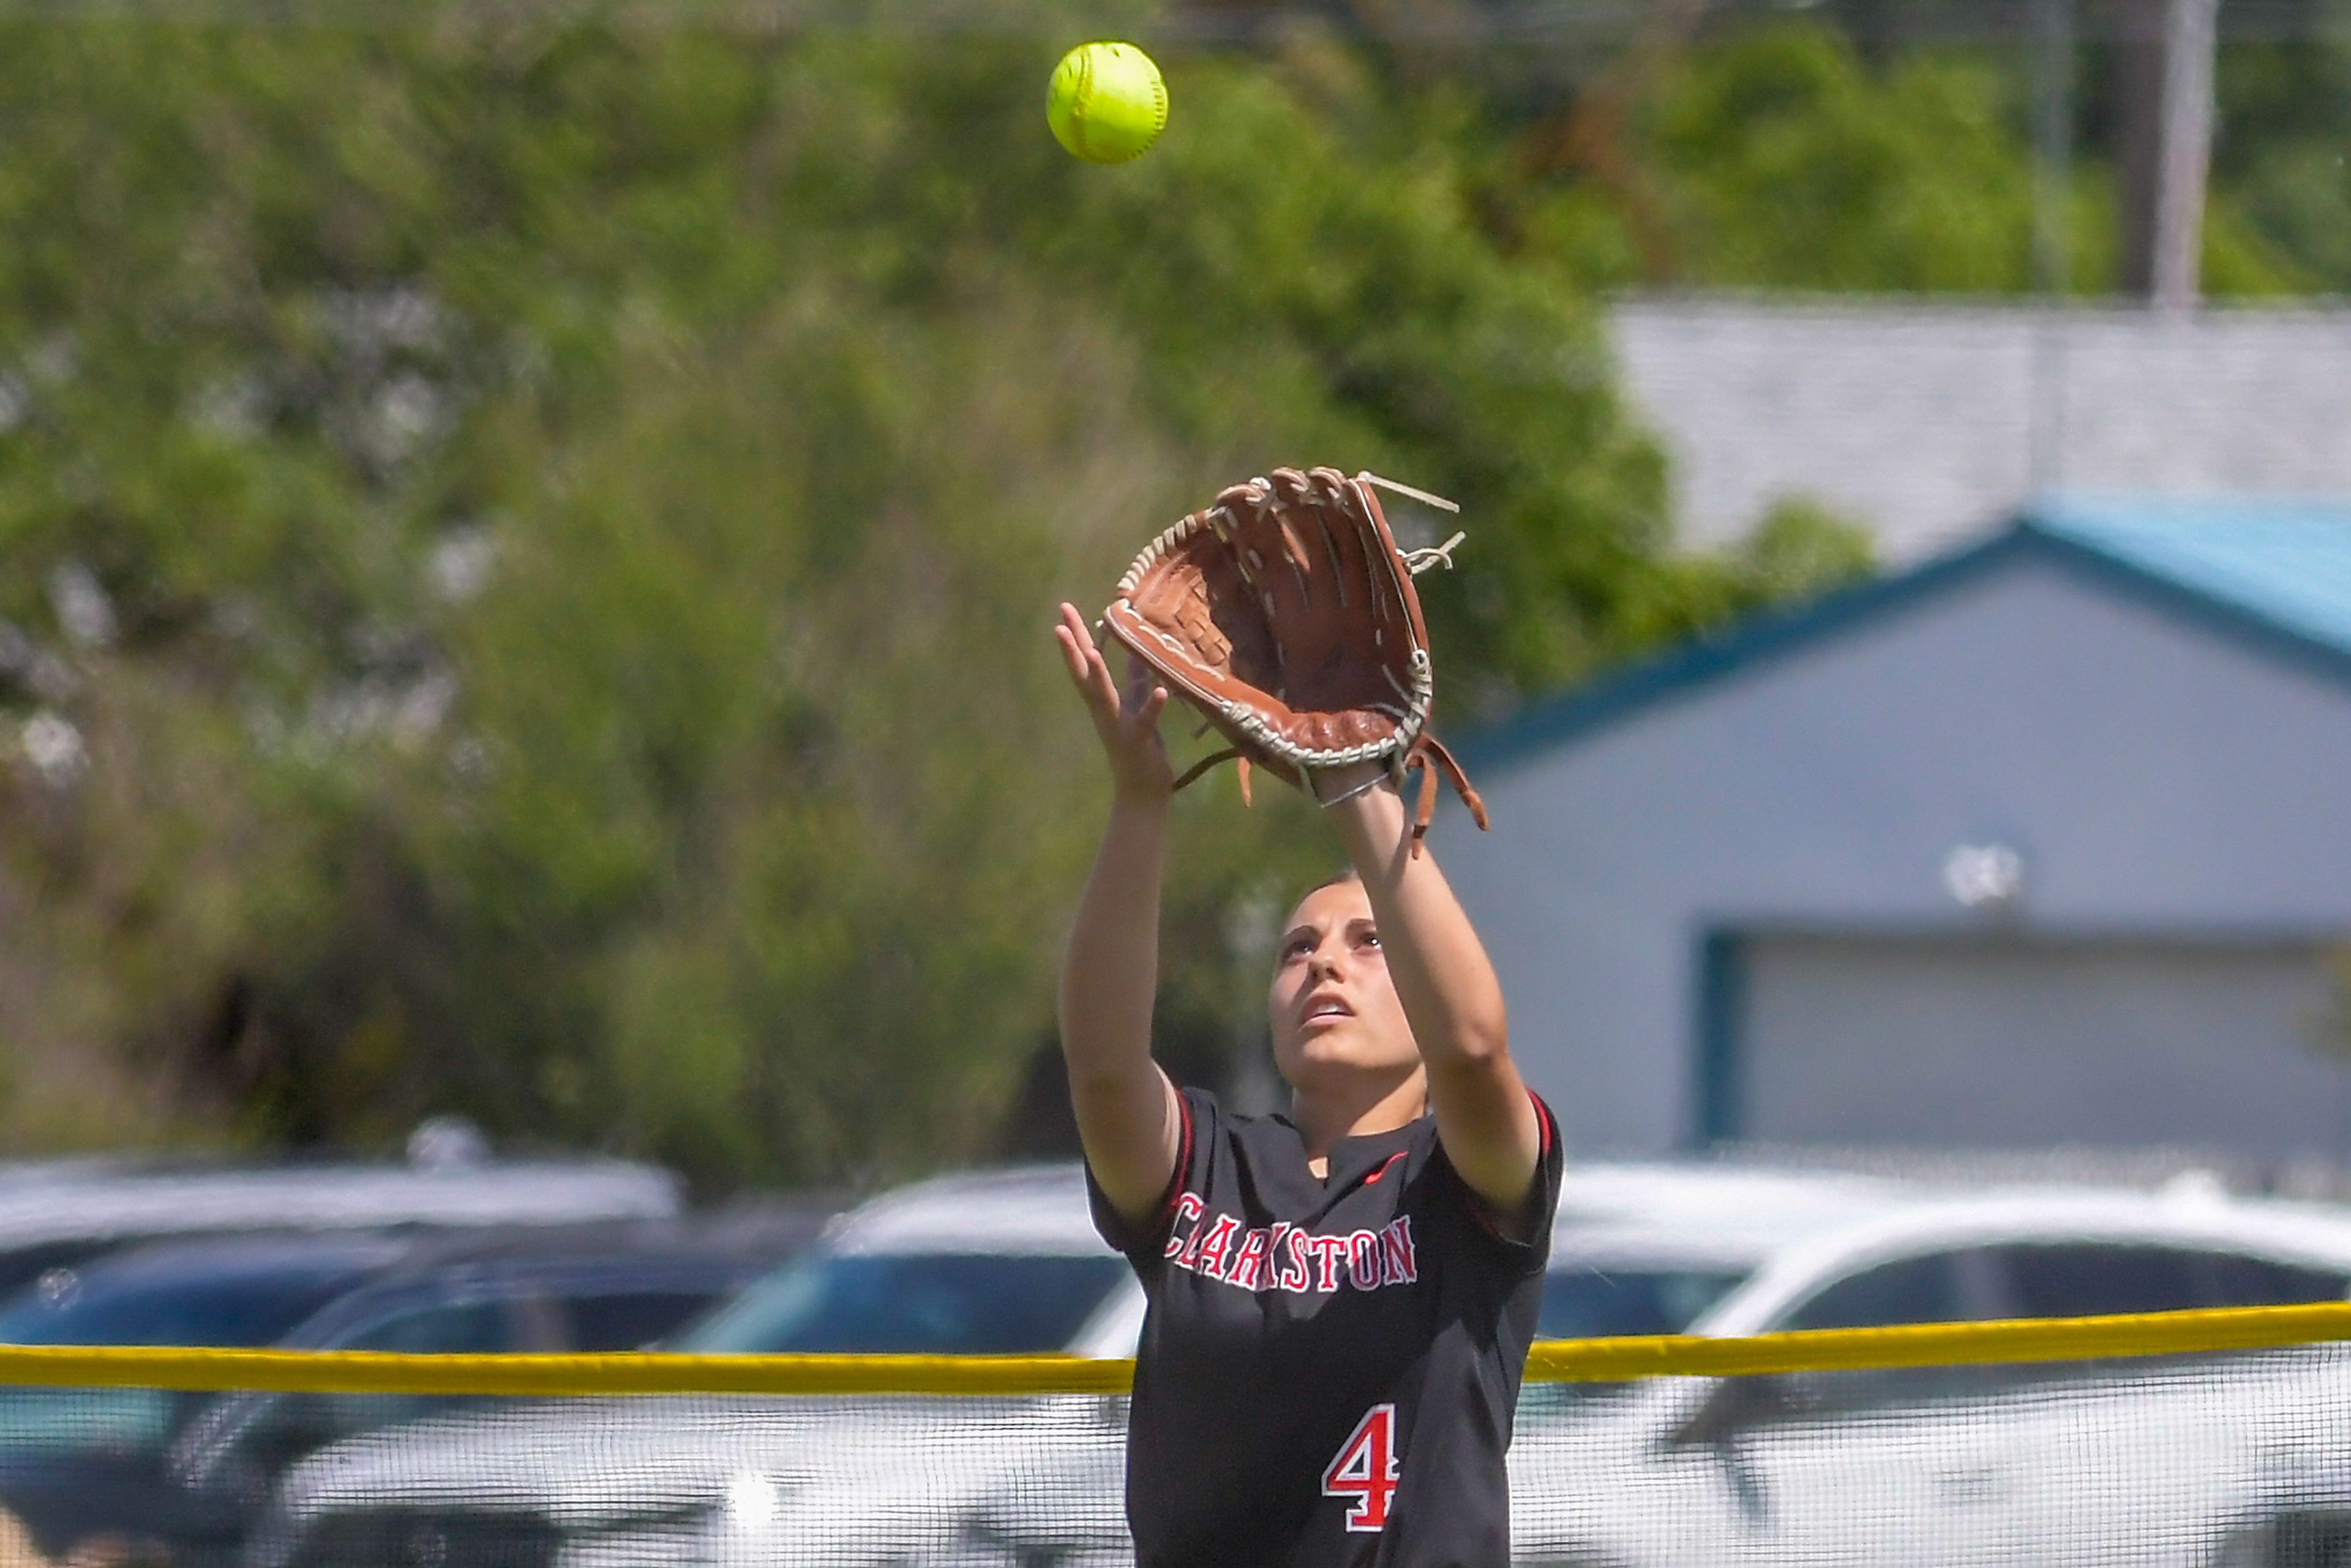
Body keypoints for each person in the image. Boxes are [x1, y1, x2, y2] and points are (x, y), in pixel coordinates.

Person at [1052, 603, 1562, 1568]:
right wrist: (1137, 806)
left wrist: (1355, 782)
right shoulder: (1208, 1170)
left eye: (1369, 942)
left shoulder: (1462, 1186)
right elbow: (1105, 1064)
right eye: (1298, 948)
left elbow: (1472, 1048)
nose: (1325, 963)